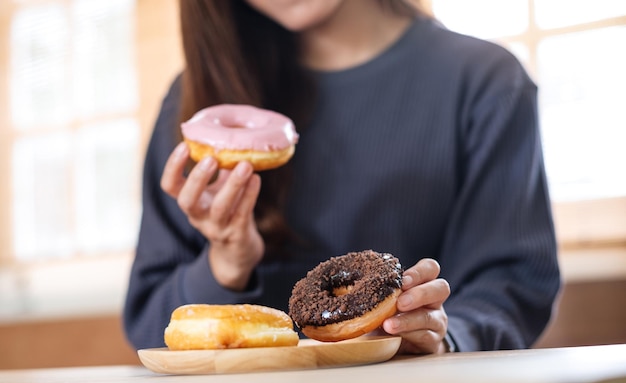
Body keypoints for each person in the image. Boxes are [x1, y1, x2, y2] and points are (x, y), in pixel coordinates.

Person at [123, 0, 561, 353]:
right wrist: (226, 263)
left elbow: (512, 288)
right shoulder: (198, 104)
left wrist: (441, 335)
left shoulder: (484, 82)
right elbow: (148, 327)